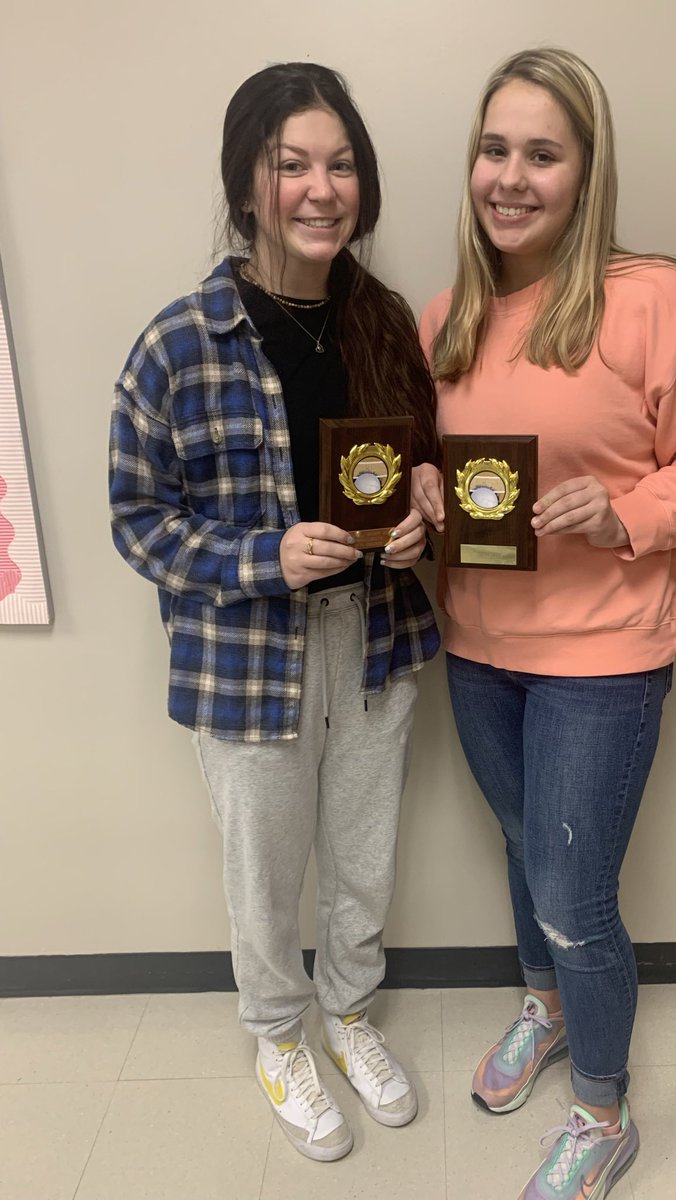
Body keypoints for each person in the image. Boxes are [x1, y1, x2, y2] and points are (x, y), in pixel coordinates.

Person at [414, 47, 676, 1199]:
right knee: (524, 854)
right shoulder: (449, 317)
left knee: (574, 895)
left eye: (543, 153)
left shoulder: (654, 300)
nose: (510, 176)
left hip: (605, 661)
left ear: (586, 172)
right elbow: (429, 468)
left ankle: (603, 1114)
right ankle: (550, 1007)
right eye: (495, 148)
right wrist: (419, 497)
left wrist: (629, 514)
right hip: (478, 648)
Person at [110, 62, 439, 1163]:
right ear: (246, 184)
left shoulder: (385, 321)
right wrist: (264, 555)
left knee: (364, 854)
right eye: (291, 163)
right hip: (247, 655)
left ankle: (348, 1011)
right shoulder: (178, 344)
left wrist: (421, 524)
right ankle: (276, 1033)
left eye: (340, 164)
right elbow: (138, 521)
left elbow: (427, 474)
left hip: (379, 638)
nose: (320, 187)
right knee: (265, 868)